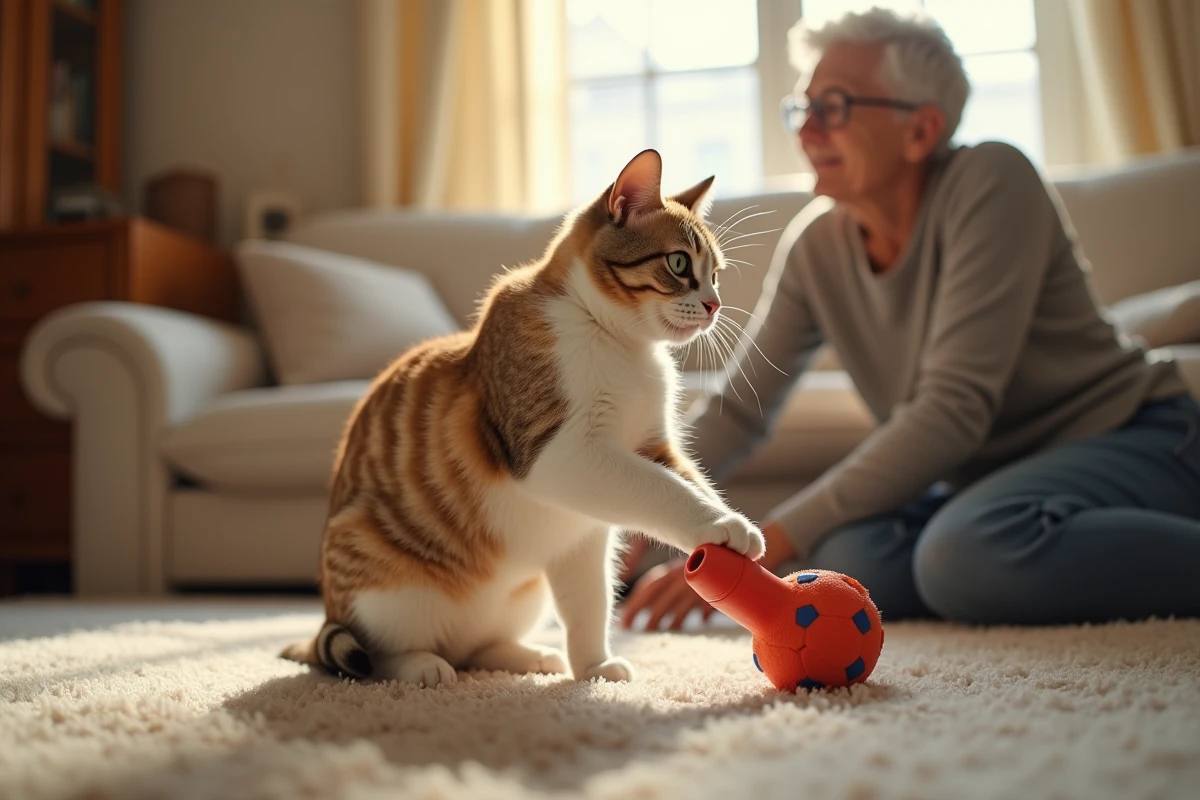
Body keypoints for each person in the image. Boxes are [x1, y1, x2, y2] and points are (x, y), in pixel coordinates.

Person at [619, 7, 1200, 630]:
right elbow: (740, 409)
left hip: (1133, 437)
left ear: (921, 131)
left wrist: (762, 541)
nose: (807, 130)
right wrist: (645, 513)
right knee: (852, 556)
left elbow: (952, 409)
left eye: (834, 107)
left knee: (963, 553)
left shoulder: (993, 180)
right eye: (802, 108)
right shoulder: (817, 245)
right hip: (989, 481)